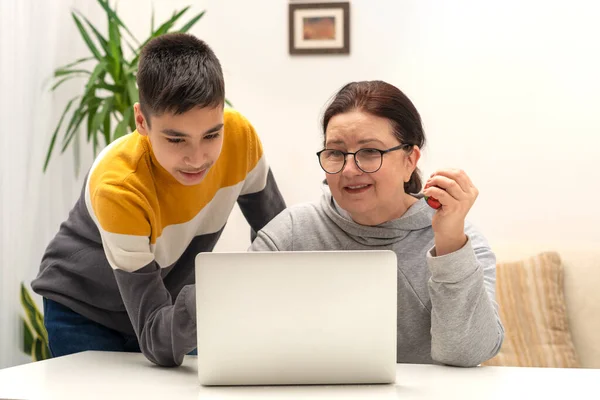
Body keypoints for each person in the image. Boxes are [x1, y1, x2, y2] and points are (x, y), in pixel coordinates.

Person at [32, 33, 286, 367]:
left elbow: (281, 239)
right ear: (141, 121)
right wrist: (224, 291)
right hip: (86, 310)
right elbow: (157, 339)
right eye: (176, 139)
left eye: (211, 134)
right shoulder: (120, 186)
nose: (198, 158)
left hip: (163, 308)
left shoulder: (241, 140)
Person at [249, 80, 504, 367]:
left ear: (410, 160)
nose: (349, 170)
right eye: (335, 152)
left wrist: (449, 246)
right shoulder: (291, 233)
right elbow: (240, 335)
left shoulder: (460, 239)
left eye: (370, 152)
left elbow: (467, 354)